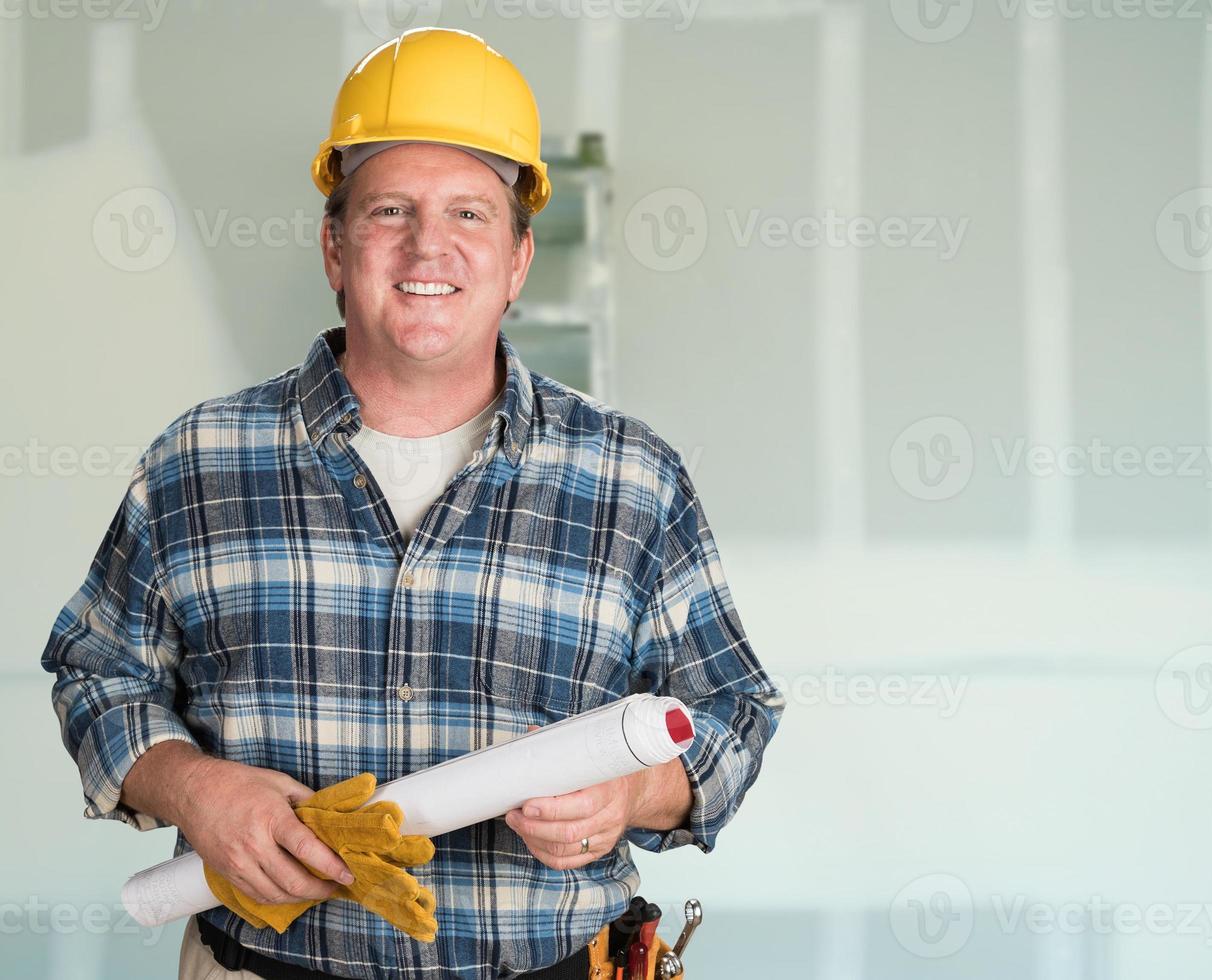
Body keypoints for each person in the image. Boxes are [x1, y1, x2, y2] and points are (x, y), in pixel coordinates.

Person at [40, 27, 783, 980]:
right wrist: (195, 790)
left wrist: (638, 789)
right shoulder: (198, 462)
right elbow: (97, 674)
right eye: (391, 209)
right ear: (334, 246)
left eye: (471, 214)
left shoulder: (632, 479)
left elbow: (733, 711)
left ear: (517, 261)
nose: (429, 244)